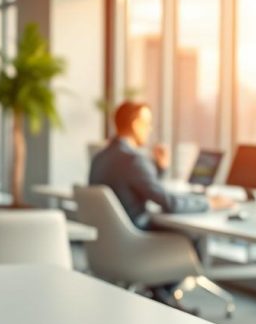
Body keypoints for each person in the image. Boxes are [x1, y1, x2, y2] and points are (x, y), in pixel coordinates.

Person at [89, 101, 233, 308]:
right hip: (134, 239)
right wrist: (209, 202)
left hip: (108, 242)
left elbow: (136, 186)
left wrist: (160, 168)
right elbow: (169, 203)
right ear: (135, 124)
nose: (149, 129)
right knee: (193, 237)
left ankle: (158, 294)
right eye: (147, 123)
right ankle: (162, 296)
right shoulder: (132, 159)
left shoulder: (100, 157)